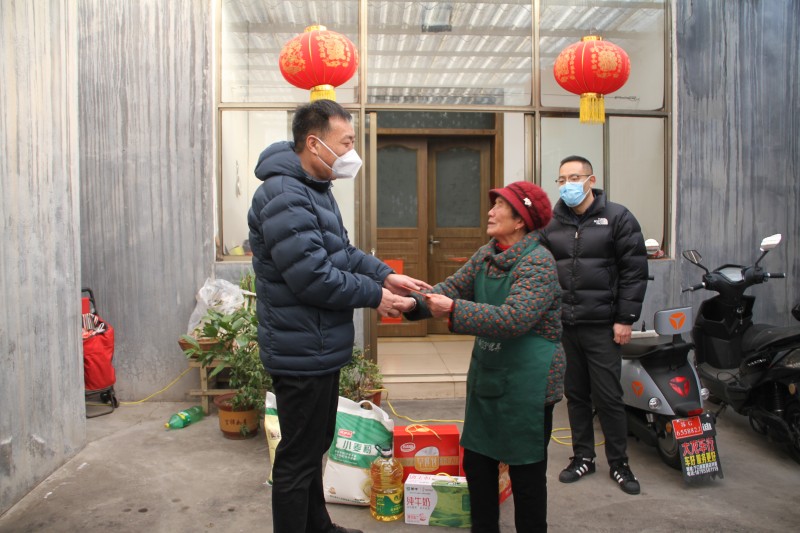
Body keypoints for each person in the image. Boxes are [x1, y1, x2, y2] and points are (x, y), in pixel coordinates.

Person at [247, 99, 430, 533]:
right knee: (297, 457)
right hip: (300, 348)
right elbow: (312, 277)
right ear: (314, 143)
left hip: (317, 344)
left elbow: (342, 252)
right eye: (345, 142)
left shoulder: (314, 189)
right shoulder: (283, 195)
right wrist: (376, 296)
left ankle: (319, 527)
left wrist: (386, 275)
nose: (352, 152)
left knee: (313, 446)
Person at [397, 181, 565, 533]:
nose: (490, 211)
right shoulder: (487, 254)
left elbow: (515, 318)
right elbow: (452, 288)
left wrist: (454, 309)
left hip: (529, 386)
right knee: (477, 463)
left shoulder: (538, 262)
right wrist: (410, 304)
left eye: (499, 205)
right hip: (489, 375)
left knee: (526, 474)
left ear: (520, 221)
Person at [538, 155, 648, 495]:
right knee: (575, 396)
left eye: (574, 177)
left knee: (609, 396)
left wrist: (625, 319)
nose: (567, 185)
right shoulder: (551, 223)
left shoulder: (617, 217)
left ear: (591, 180)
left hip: (602, 325)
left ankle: (619, 462)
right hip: (564, 326)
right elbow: (538, 269)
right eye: (561, 180)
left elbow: (634, 271)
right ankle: (583, 456)